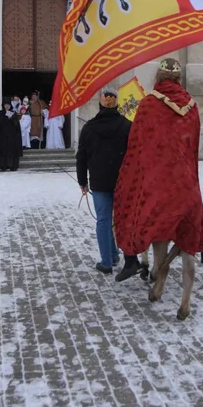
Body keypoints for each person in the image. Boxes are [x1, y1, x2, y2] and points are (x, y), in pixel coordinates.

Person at [114, 58, 203, 282]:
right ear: (178, 78)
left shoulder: (149, 103)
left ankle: (132, 258)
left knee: (129, 203)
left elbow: (137, 146)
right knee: (194, 205)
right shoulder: (192, 104)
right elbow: (192, 146)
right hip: (184, 177)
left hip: (157, 178)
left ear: (159, 76)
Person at [76, 88, 131, 274]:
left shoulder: (89, 128)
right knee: (120, 220)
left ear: (99, 104)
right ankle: (118, 254)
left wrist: (82, 181)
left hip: (99, 182)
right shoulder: (127, 125)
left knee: (104, 220)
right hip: (123, 181)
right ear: (117, 105)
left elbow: (81, 157)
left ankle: (107, 261)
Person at [0, 98, 22, 172]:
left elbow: (17, 126)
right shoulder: (0, 113)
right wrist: (4, 118)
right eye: (5, 104)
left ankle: (12, 166)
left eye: (8, 105)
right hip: (2, 136)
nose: (7, 106)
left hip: (12, 137)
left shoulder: (13, 113)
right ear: (3, 105)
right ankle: (3, 166)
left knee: (12, 152)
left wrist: (12, 119)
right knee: (3, 151)